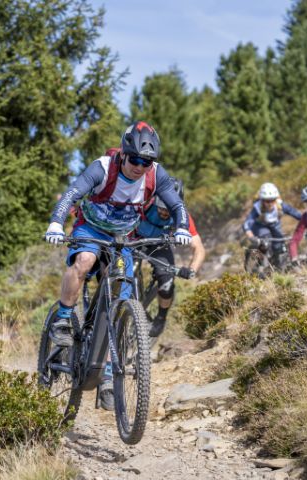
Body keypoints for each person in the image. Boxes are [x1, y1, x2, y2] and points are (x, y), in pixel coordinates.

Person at [44, 121, 191, 409]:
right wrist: (56, 223)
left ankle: (108, 377)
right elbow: (72, 194)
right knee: (85, 261)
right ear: (123, 154)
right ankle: (63, 318)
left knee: (121, 300)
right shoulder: (102, 168)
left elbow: (176, 205)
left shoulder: (155, 174)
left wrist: (182, 227)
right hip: (90, 229)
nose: (140, 167)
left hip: (122, 238)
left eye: (146, 162)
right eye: (135, 159)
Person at [136, 178, 206, 339]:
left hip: (159, 245)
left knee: (166, 282)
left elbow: (199, 248)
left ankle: (161, 318)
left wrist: (191, 270)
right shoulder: (143, 203)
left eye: (169, 210)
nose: (164, 213)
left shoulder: (182, 216)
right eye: (161, 208)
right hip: (134, 239)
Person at [243, 182, 301, 268]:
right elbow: (247, 223)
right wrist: (250, 236)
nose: (270, 203)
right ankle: (261, 263)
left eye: (272, 200)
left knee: (279, 245)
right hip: (260, 226)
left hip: (275, 225)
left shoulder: (280, 205)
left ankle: (277, 265)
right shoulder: (257, 207)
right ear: (262, 200)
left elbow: (295, 213)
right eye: (267, 201)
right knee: (266, 241)